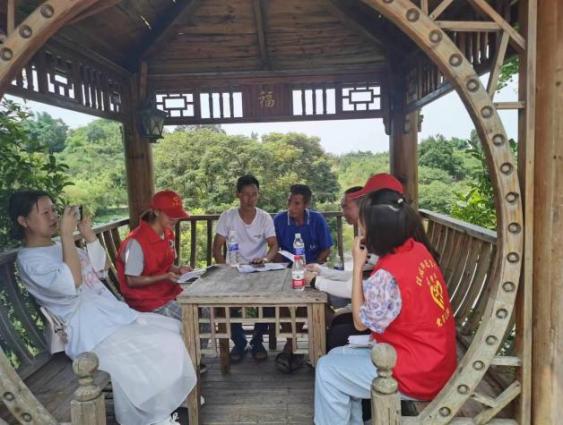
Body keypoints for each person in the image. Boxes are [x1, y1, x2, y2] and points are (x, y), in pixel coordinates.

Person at [8, 190, 196, 425]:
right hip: (89, 330)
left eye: (53, 210)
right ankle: (154, 415)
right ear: (23, 221)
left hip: (110, 316)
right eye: (45, 213)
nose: (53, 216)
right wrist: (67, 236)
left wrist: (88, 236)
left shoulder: (58, 246)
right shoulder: (30, 261)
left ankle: (166, 401)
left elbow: (102, 268)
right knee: (162, 342)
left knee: (174, 329)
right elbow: (72, 282)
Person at [314, 189, 456, 425]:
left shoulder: (388, 274)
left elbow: (361, 322)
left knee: (327, 370)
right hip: (435, 359)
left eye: (363, 226)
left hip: (417, 373)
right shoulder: (416, 249)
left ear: (377, 231)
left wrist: (357, 266)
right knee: (336, 356)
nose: (360, 231)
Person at [212, 175, 278, 362]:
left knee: (269, 301)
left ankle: (257, 342)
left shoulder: (264, 217)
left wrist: (265, 259)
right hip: (233, 270)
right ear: (238, 195)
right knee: (225, 304)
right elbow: (216, 248)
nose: (250, 199)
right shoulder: (228, 216)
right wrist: (225, 269)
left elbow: (274, 245)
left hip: (258, 269)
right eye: (246, 194)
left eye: (254, 194)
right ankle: (239, 342)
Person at [116, 190, 190, 321]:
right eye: (170, 214)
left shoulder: (168, 234)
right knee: (193, 316)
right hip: (145, 301)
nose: (175, 219)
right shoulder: (136, 242)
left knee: (205, 308)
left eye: (177, 215)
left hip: (166, 293)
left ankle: (197, 336)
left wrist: (179, 269)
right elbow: (131, 281)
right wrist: (165, 277)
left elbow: (167, 266)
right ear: (156, 211)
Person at [273, 184, 333, 264]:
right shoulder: (279, 220)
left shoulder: (317, 219)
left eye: (297, 203)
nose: (291, 207)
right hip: (288, 267)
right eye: (289, 201)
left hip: (313, 266)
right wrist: (281, 267)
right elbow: (274, 248)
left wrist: (314, 265)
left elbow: (326, 249)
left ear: (306, 205)